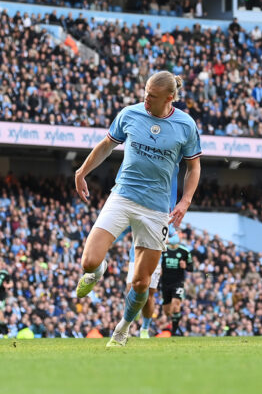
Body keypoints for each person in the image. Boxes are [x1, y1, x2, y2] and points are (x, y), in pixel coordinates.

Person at [74, 71, 201, 347]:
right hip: (122, 196)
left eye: (152, 96)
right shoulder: (130, 114)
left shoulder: (186, 125)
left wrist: (185, 201)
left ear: (169, 99)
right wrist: (82, 171)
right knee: (88, 261)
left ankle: (123, 327)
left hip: (156, 210)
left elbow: (194, 166)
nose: (145, 99)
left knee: (141, 283)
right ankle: (97, 272)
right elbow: (107, 144)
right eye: (145, 93)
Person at [125, 166, 179, 339]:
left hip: (153, 259)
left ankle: (145, 329)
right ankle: (128, 324)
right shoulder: (135, 210)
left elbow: (176, 239)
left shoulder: (161, 214)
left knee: (149, 296)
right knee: (130, 290)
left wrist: (165, 240)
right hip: (134, 258)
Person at [160, 230, 193, 336]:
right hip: (165, 283)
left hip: (178, 282)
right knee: (167, 312)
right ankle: (176, 325)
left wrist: (185, 266)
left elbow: (191, 268)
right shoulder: (162, 251)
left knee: (176, 304)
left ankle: (174, 331)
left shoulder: (184, 252)